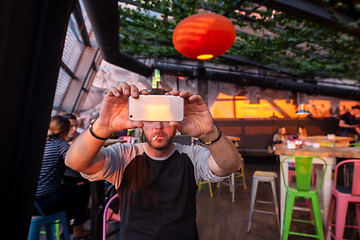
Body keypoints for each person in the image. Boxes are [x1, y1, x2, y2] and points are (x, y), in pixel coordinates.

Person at [65, 82, 242, 240]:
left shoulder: (191, 156)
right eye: (150, 118)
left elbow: (229, 165)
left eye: (165, 117)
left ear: (175, 122)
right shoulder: (125, 156)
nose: (158, 125)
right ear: (140, 120)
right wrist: (102, 126)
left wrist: (209, 133)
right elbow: (75, 162)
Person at [35, 116, 90, 239]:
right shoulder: (61, 145)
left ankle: (71, 222)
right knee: (82, 187)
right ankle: (77, 229)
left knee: (70, 188)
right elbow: (79, 164)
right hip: (45, 203)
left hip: (32, 203)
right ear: (64, 131)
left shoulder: (39, 143)